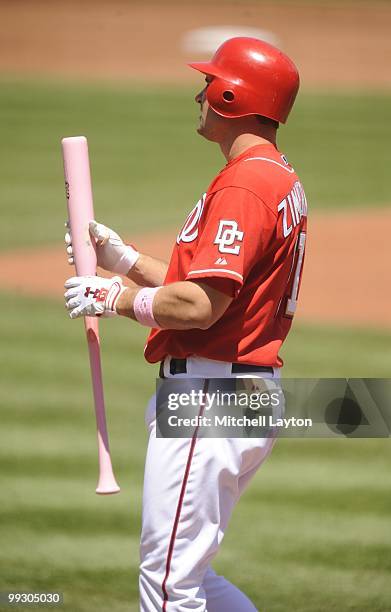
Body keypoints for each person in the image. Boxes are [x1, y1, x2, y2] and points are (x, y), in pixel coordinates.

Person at [64, 37, 307, 612]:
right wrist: (123, 262)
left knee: (169, 584)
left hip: (211, 394)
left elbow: (200, 306)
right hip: (236, 389)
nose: (199, 92)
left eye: (210, 82)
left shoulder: (247, 185)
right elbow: (205, 281)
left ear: (231, 95)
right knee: (187, 575)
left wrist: (114, 298)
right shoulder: (274, 177)